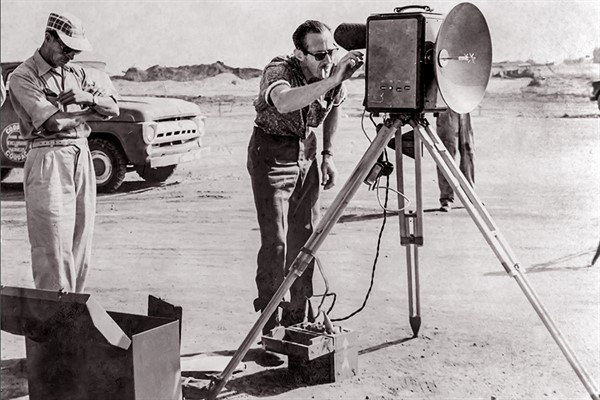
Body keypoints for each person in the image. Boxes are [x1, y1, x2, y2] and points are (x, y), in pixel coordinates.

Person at [247, 20, 363, 333]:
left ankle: (299, 315)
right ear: (300, 54)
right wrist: (334, 78)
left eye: (331, 53)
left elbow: (335, 105)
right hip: (271, 153)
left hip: (306, 152)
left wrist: (327, 155)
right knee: (276, 241)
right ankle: (269, 321)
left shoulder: (332, 75)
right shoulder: (279, 70)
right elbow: (284, 102)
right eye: (319, 55)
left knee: (307, 236)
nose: (328, 60)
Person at [9, 12, 119, 292]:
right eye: (66, 48)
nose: (70, 56)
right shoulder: (23, 76)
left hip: (81, 154)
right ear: (48, 38)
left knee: (81, 241)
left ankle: (72, 311)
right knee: (52, 246)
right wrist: (90, 113)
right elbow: (53, 123)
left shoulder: (76, 73)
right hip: (49, 157)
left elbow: (113, 107)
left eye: (75, 52)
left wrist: (88, 97)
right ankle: (53, 314)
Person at [436, 109, 474, 212]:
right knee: (447, 151)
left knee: (468, 150)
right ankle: (446, 198)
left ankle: (470, 195)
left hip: (464, 107)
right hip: (446, 109)